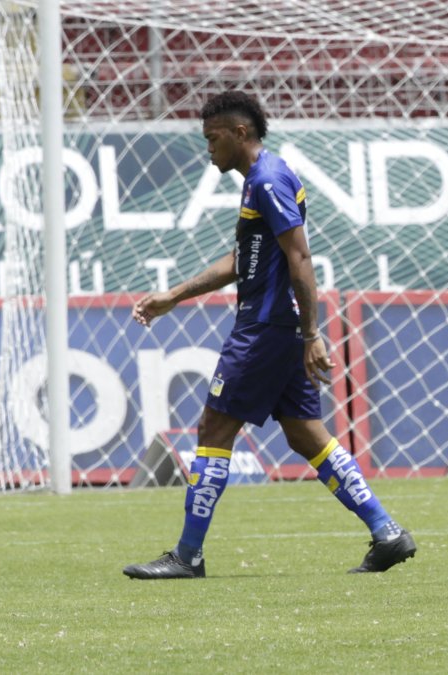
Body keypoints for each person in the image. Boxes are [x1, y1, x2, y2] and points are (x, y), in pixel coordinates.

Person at [123, 91, 415, 579]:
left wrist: (312, 335)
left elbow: (300, 257)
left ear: (240, 133)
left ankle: (188, 556)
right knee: (306, 435)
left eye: (213, 138)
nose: (208, 148)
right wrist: (174, 295)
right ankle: (387, 532)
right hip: (277, 326)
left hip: (265, 328)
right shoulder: (260, 180)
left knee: (214, 429)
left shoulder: (268, 179)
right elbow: (245, 261)